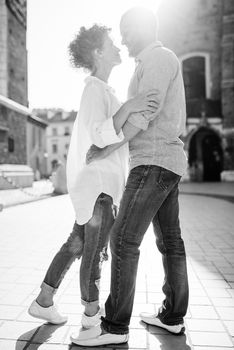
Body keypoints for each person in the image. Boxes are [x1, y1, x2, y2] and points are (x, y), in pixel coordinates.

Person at [71, 6, 189, 347]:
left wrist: (106, 150)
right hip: (165, 160)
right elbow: (138, 112)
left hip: (152, 161)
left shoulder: (157, 60)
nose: (123, 38)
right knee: (170, 243)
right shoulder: (151, 62)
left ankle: (114, 327)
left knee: (122, 240)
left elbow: (145, 115)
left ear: (143, 28)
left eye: (126, 30)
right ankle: (172, 317)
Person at [28, 24, 158, 328]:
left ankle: (44, 301)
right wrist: (131, 106)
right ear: (99, 53)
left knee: (76, 243)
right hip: (98, 185)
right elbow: (100, 135)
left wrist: (128, 110)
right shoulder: (93, 89)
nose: (117, 47)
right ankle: (91, 314)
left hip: (100, 185)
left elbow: (108, 134)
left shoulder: (102, 90)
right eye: (111, 43)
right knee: (94, 250)